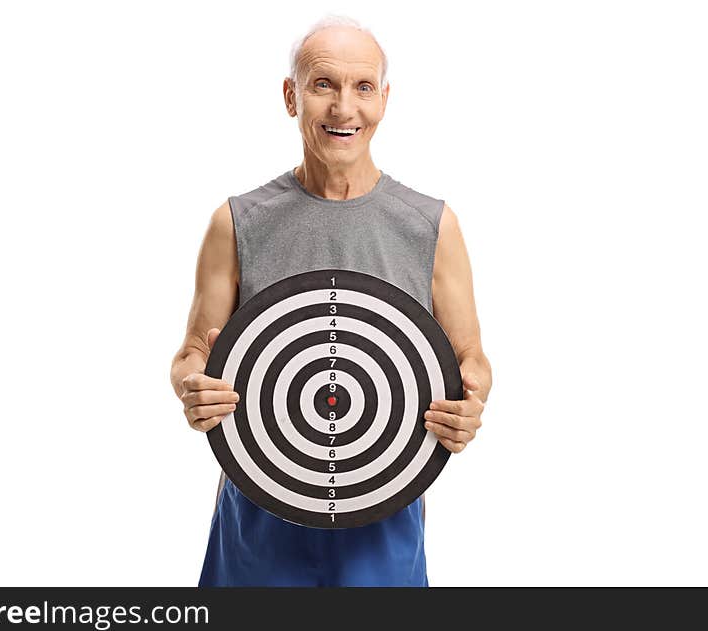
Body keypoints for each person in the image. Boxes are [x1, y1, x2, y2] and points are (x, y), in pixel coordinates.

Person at [170, 14, 492, 586]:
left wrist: (469, 401)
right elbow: (194, 351)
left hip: (385, 506)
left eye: (363, 87)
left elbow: (471, 359)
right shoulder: (236, 222)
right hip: (259, 503)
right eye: (324, 85)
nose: (344, 108)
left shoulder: (432, 226)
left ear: (384, 100)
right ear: (291, 96)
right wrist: (195, 387)